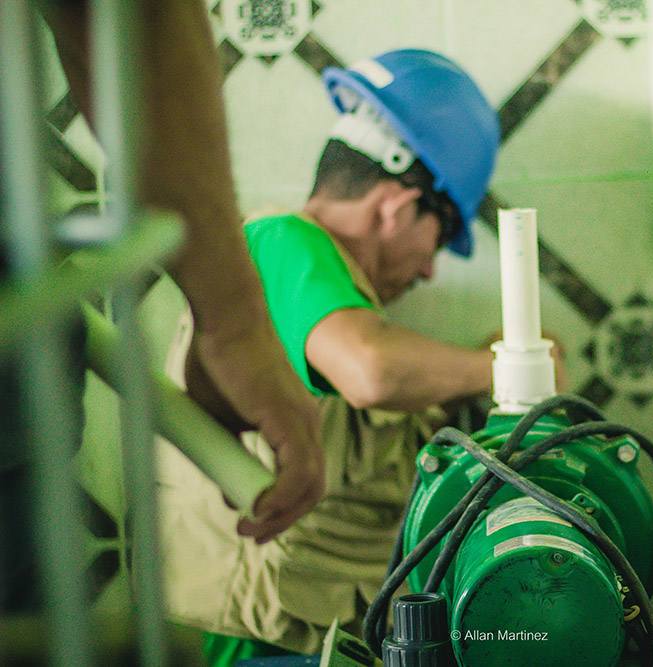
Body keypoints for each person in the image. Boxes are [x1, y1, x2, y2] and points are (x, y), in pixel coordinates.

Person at [156, 48, 566, 665]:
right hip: (254, 645)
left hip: (302, 635)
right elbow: (369, 372)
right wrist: (511, 364)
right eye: (439, 238)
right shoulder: (282, 241)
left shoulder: (328, 293)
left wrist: (475, 374)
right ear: (400, 206)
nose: (429, 270)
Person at [34, 0, 327, 542]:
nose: (428, 269)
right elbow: (131, 19)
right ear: (401, 204)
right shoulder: (294, 241)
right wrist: (234, 325)